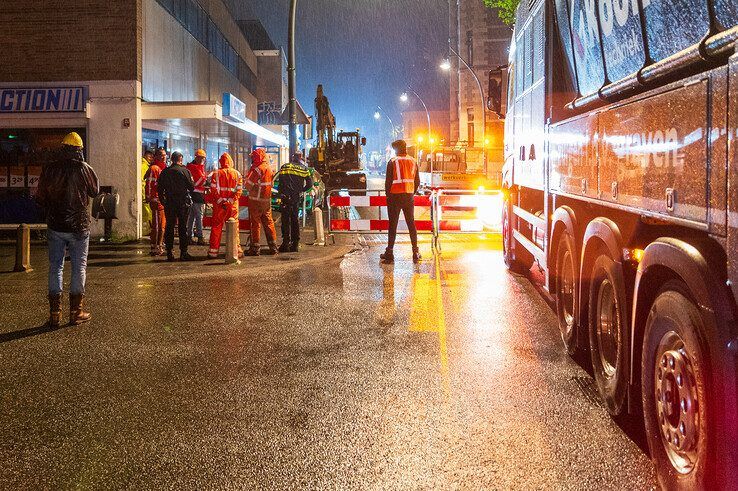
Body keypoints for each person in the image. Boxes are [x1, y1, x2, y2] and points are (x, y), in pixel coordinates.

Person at [36, 132, 99, 326]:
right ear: (79, 150)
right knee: (79, 267)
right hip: (79, 226)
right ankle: (76, 312)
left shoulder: (50, 169)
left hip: (56, 225)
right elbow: (94, 192)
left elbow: (40, 197)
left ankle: (55, 313)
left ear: (62, 148)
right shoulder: (85, 169)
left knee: (55, 267)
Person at [381, 139, 421, 264]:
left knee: (393, 224)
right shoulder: (413, 161)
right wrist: (411, 192)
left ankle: (390, 252)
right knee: (411, 224)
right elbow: (417, 181)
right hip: (408, 196)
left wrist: (388, 196)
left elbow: (388, 182)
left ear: (397, 149)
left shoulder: (392, 161)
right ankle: (415, 252)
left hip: (394, 197)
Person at [158, 151, 195, 262]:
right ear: (180, 159)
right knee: (182, 227)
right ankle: (183, 252)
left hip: (169, 202)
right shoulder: (185, 171)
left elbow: (159, 188)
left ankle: (169, 252)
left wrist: (163, 200)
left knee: (169, 226)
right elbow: (191, 187)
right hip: (182, 202)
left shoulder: (165, 172)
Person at [207, 152, 243, 259]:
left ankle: (213, 252)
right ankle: (236, 251)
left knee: (216, 227)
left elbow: (213, 190)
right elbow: (239, 190)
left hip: (219, 206)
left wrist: (221, 201)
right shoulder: (237, 174)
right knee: (234, 228)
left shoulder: (216, 174)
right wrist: (230, 201)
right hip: (232, 206)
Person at [276, 152, 313, 252]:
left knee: (285, 220)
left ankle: (285, 243)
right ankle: (295, 244)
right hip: (295, 197)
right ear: (300, 157)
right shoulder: (304, 169)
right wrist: (301, 190)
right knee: (294, 220)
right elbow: (310, 184)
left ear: (293, 157)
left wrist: (281, 193)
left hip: (285, 197)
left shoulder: (284, 167)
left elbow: (280, 182)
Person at [245, 148, 278, 256]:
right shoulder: (269, 168)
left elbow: (248, 185)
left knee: (255, 223)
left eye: (253, 157)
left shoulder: (257, 169)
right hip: (266, 201)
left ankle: (255, 248)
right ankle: (273, 247)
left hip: (255, 201)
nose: (252, 159)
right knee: (268, 222)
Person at [145, 148, 167, 256]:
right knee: (157, 225)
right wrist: (149, 197)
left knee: (162, 224)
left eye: (164, 155)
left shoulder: (163, 168)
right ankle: (156, 247)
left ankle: (159, 245)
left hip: (162, 201)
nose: (163, 157)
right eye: (161, 155)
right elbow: (149, 184)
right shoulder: (154, 168)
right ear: (156, 156)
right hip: (156, 201)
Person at [186, 149, 208, 245]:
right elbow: (201, 180)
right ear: (197, 157)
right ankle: (200, 236)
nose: (202, 160)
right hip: (197, 195)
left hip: (192, 194)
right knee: (199, 216)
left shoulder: (193, 167)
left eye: (203, 158)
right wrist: (206, 182)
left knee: (192, 217)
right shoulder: (195, 168)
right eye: (201, 158)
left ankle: (189, 236)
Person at [141, 150, 154, 234]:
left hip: (145, 192)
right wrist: (144, 193)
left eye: (152, 157)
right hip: (144, 193)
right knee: (147, 213)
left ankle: (148, 230)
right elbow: (142, 181)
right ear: (145, 156)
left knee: (148, 212)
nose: (151, 158)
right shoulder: (143, 166)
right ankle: (146, 231)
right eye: (149, 157)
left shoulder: (146, 165)